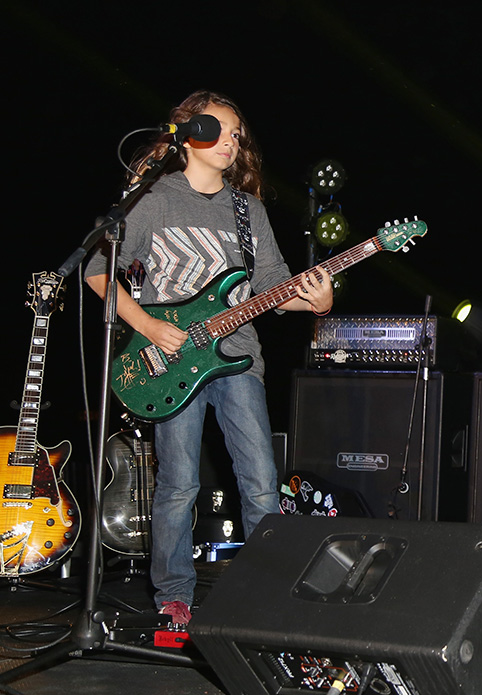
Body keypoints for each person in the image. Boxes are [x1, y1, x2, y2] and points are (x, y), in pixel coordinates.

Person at [85, 91, 332, 626]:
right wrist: (150, 326)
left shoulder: (249, 210)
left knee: (261, 481)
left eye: (237, 135)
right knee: (179, 484)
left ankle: (267, 599)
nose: (231, 142)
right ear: (188, 133)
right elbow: (98, 273)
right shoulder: (151, 200)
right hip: (166, 360)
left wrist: (314, 296)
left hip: (237, 358)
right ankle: (174, 597)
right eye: (219, 130)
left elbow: (270, 286)